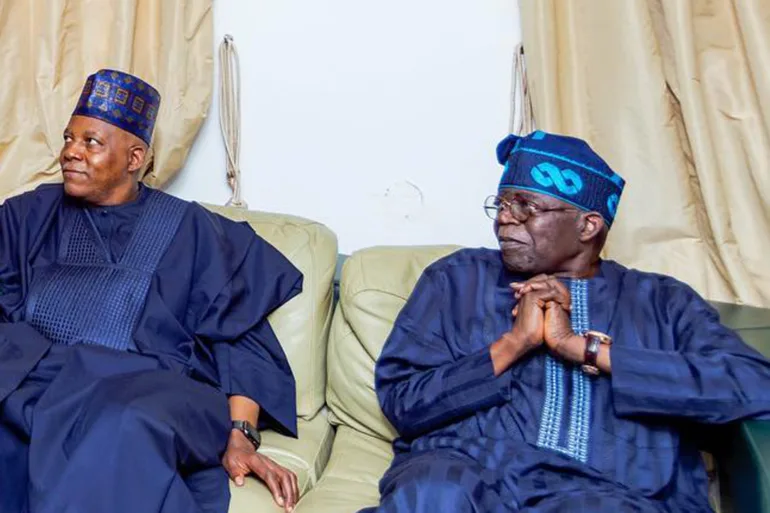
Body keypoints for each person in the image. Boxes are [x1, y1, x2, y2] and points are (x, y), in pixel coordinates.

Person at [363, 130, 770, 512]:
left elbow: (753, 384)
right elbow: (404, 402)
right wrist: (513, 344)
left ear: (588, 225)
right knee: (433, 493)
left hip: (609, 488)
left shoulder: (661, 302)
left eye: (525, 207)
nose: (505, 219)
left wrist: (581, 348)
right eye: (501, 204)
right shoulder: (457, 279)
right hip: (465, 471)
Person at [0, 69, 302, 513]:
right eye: (69, 139)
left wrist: (241, 435)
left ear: (135, 157)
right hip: (46, 381)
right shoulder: (27, 216)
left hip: (153, 388)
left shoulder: (193, 229)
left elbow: (241, 341)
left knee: (121, 421)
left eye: (91, 142)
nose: (70, 152)